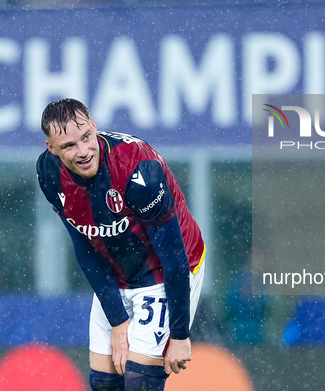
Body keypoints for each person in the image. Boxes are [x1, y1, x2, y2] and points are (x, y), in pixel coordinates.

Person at [36, 98, 205, 390]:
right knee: (104, 383)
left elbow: (174, 257)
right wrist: (117, 320)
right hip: (119, 273)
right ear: (51, 148)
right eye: (68, 146)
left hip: (166, 271)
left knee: (140, 382)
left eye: (86, 137)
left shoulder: (139, 170)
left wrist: (179, 336)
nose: (83, 151)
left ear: (94, 127)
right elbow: (85, 248)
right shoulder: (49, 174)